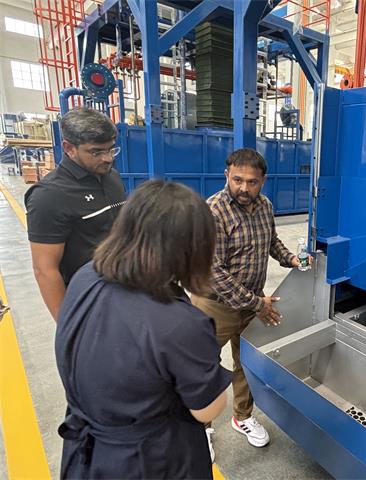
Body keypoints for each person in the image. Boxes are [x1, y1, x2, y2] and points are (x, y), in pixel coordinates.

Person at [55, 180, 232, 479]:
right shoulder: (179, 323)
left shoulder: (85, 276)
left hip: (87, 452)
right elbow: (207, 410)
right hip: (148, 460)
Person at [192, 148, 311, 449]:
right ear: (227, 175)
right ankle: (200, 428)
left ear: (263, 181)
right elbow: (214, 271)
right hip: (215, 305)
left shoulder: (265, 205)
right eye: (237, 180)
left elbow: (271, 242)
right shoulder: (213, 211)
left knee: (246, 360)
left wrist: (291, 259)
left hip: (251, 301)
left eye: (252, 182)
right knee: (203, 366)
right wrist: (258, 303)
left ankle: (242, 416)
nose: (244, 188)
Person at [25, 107, 126, 321]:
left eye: (111, 149)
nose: (108, 158)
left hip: (122, 290)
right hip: (87, 300)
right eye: (96, 152)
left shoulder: (112, 178)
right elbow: (45, 270)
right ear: (69, 148)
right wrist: (68, 325)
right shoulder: (49, 196)